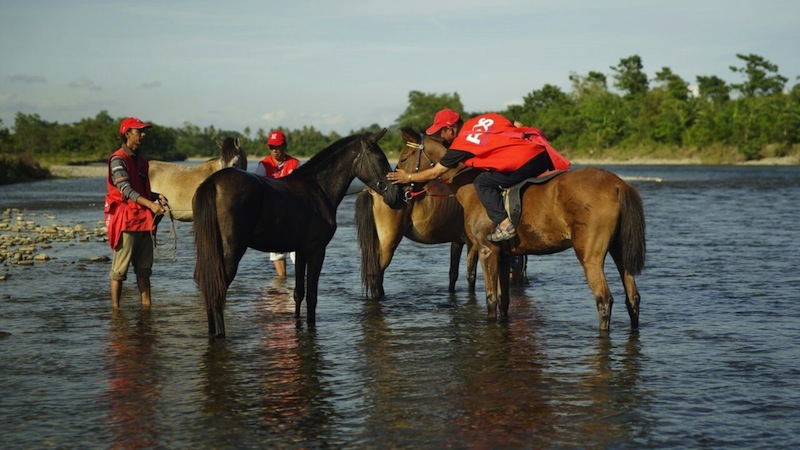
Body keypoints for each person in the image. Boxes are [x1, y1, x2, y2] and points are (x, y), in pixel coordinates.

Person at [387, 109, 570, 242]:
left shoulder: (460, 146)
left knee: (483, 182)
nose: (441, 136)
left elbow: (436, 172)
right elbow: (518, 125)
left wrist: (408, 178)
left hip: (527, 162)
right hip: (541, 154)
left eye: (441, 131)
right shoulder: (484, 119)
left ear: (450, 129)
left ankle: (505, 224)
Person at [104, 117, 166, 309]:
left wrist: (157, 196)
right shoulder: (117, 159)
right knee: (119, 272)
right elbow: (126, 190)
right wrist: (152, 204)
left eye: (143, 131)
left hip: (143, 220)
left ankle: (147, 306)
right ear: (127, 134)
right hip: (126, 221)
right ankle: (116, 310)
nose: (143, 135)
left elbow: (140, 189)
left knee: (144, 270)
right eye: (139, 131)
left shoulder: (142, 162)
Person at [255, 130, 301, 278]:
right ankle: (281, 287)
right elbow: (255, 188)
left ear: (285, 146)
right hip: (273, 218)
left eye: (278, 147)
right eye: (271, 147)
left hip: (293, 216)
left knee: (299, 256)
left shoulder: (295, 164)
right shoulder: (263, 165)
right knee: (278, 256)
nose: (275, 150)